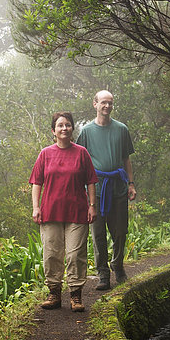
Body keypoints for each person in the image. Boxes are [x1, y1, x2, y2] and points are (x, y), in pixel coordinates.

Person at [29, 111, 98, 311]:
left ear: (72, 128)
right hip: (50, 212)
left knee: (75, 255)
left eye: (67, 125)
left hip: (78, 212)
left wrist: (92, 206)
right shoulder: (45, 154)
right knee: (51, 254)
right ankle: (54, 293)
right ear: (54, 130)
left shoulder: (81, 153)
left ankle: (76, 295)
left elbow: (91, 181)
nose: (64, 128)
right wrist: (36, 207)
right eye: (60, 125)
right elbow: (36, 182)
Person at [76, 90, 136, 290]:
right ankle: (102, 273)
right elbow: (80, 161)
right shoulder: (86, 132)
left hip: (118, 187)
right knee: (98, 234)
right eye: (103, 103)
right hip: (96, 190)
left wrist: (131, 183)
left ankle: (117, 266)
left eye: (110, 103)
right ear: (95, 104)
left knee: (120, 231)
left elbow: (126, 158)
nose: (107, 106)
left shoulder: (121, 129)